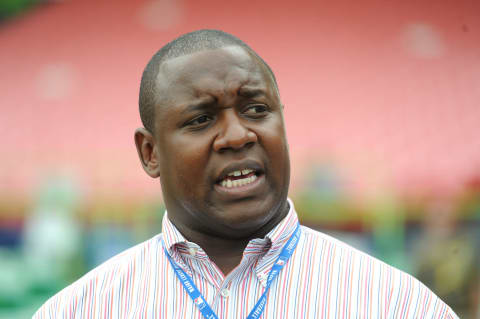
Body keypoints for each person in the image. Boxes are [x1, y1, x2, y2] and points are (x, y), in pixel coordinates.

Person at [33, 29, 458, 318]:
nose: (237, 136)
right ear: (150, 153)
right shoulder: (82, 308)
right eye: (200, 119)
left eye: (256, 109)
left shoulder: (394, 304)